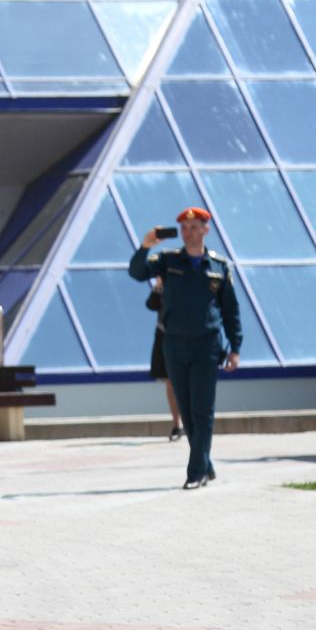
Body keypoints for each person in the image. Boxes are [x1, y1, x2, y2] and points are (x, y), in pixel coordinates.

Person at [130, 208, 241, 489]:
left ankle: (196, 473)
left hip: (206, 345)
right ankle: (206, 463)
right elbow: (137, 272)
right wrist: (145, 246)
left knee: (203, 410)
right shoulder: (167, 261)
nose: (188, 232)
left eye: (194, 227)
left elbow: (231, 310)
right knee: (188, 411)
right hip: (175, 345)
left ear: (206, 230)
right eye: (185, 228)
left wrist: (235, 347)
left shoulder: (218, 266)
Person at [146, 281, 184, 441]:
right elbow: (151, 304)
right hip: (165, 336)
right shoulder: (164, 286)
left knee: (187, 382)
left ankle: (191, 422)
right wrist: (158, 286)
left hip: (187, 336)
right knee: (170, 381)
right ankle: (177, 424)